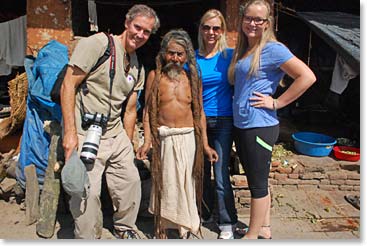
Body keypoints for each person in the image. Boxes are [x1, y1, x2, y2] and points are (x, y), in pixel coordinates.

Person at [60, 4, 160, 239]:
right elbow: (68, 85)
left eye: (146, 32)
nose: (140, 35)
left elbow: (130, 110)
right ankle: (87, 237)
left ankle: (124, 227)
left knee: (130, 181)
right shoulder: (98, 44)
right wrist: (70, 134)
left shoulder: (136, 65)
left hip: (114, 131)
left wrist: (129, 143)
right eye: (137, 27)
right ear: (127, 23)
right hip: (86, 129)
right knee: (87, 190)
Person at [228, 0, 316, 240]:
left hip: (259, 125)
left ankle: (251, 236)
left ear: (268, 23)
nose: (253, 23)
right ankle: (264, 228)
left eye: (259, 19)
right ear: (242, 19)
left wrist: (277, 102)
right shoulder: (244, 48)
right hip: (244, 124)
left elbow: (307, 77)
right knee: (258, 178)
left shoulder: (273, 49)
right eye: (248, 18)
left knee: (256, 184)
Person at [136, 29, 218, 239]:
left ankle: (183, 226)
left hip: (188, 138)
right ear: (163, 53)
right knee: (163, 183)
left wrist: (206, 145)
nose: (175, 58)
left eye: (179, 54)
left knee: (185, 184)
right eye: (171, 53)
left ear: (186, 56)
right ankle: (161, 226)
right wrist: (147, 141)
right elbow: (148, 110)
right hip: (164, 139)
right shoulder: (155, 76)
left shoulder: (192, 78)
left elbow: (199, 112)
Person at [195, 9, 238, 239]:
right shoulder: (192, 58)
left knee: (220, 174)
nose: (211, 32)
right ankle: (205, 213)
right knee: (200, 171)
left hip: (223, 120)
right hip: (198, 121)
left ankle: (227, 223)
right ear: (200, 29)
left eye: (216, 28)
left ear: (222, 31)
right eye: (206, 27)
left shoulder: (229, 56)